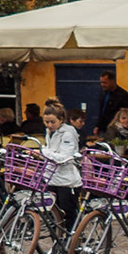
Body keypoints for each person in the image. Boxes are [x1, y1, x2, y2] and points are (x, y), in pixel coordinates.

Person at [41, 98, 83, 229]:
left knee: (68, 213)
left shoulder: (68, 134)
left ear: (61, 120)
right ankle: (58, 243)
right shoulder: (50, 132)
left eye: (52, 122)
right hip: (51, 178)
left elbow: (64, 158)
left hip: (67, 181)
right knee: (54, 214)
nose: (49, 125)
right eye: (46, 122)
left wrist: (44, 152)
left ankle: (73, 241)